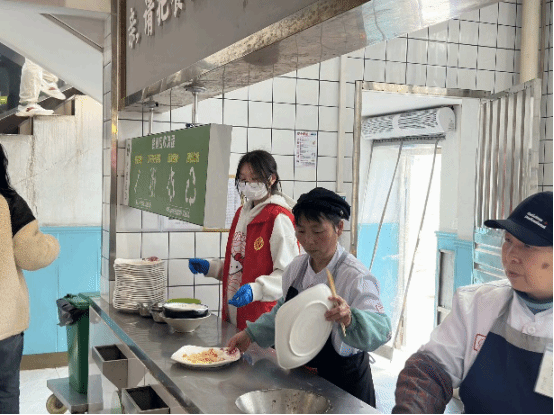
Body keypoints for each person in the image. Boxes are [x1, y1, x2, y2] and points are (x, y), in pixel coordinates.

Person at [227, 187, 392, 406]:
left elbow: (383, 329)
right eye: (301, 231)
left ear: (339, 228)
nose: (308, 241)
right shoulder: (296, 269)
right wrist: (250, 334)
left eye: (317, 231)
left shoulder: (356, 277)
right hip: (305, 380)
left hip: (346, 389)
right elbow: (284, 312)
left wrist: (351, 318)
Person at [393, 191, 553, 414]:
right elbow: (430, 370)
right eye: (508, 240)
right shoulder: (478, 304)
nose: (510, 255)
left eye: (527, 245)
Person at [188, 150, 300, 330]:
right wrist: (213, 268)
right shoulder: (242, 214)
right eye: (243, 179)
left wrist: (257, 290)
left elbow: (289, 275)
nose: (248, 185)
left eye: (254, 179)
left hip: (262, 319)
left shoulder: (278, 217)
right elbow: (240, 265)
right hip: (234, 316)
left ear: (271, 179)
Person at [0, 144, 60, 414]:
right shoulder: (9, 203)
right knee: (6, 392)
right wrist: (52, 244)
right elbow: (32, 255)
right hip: (4, 325)